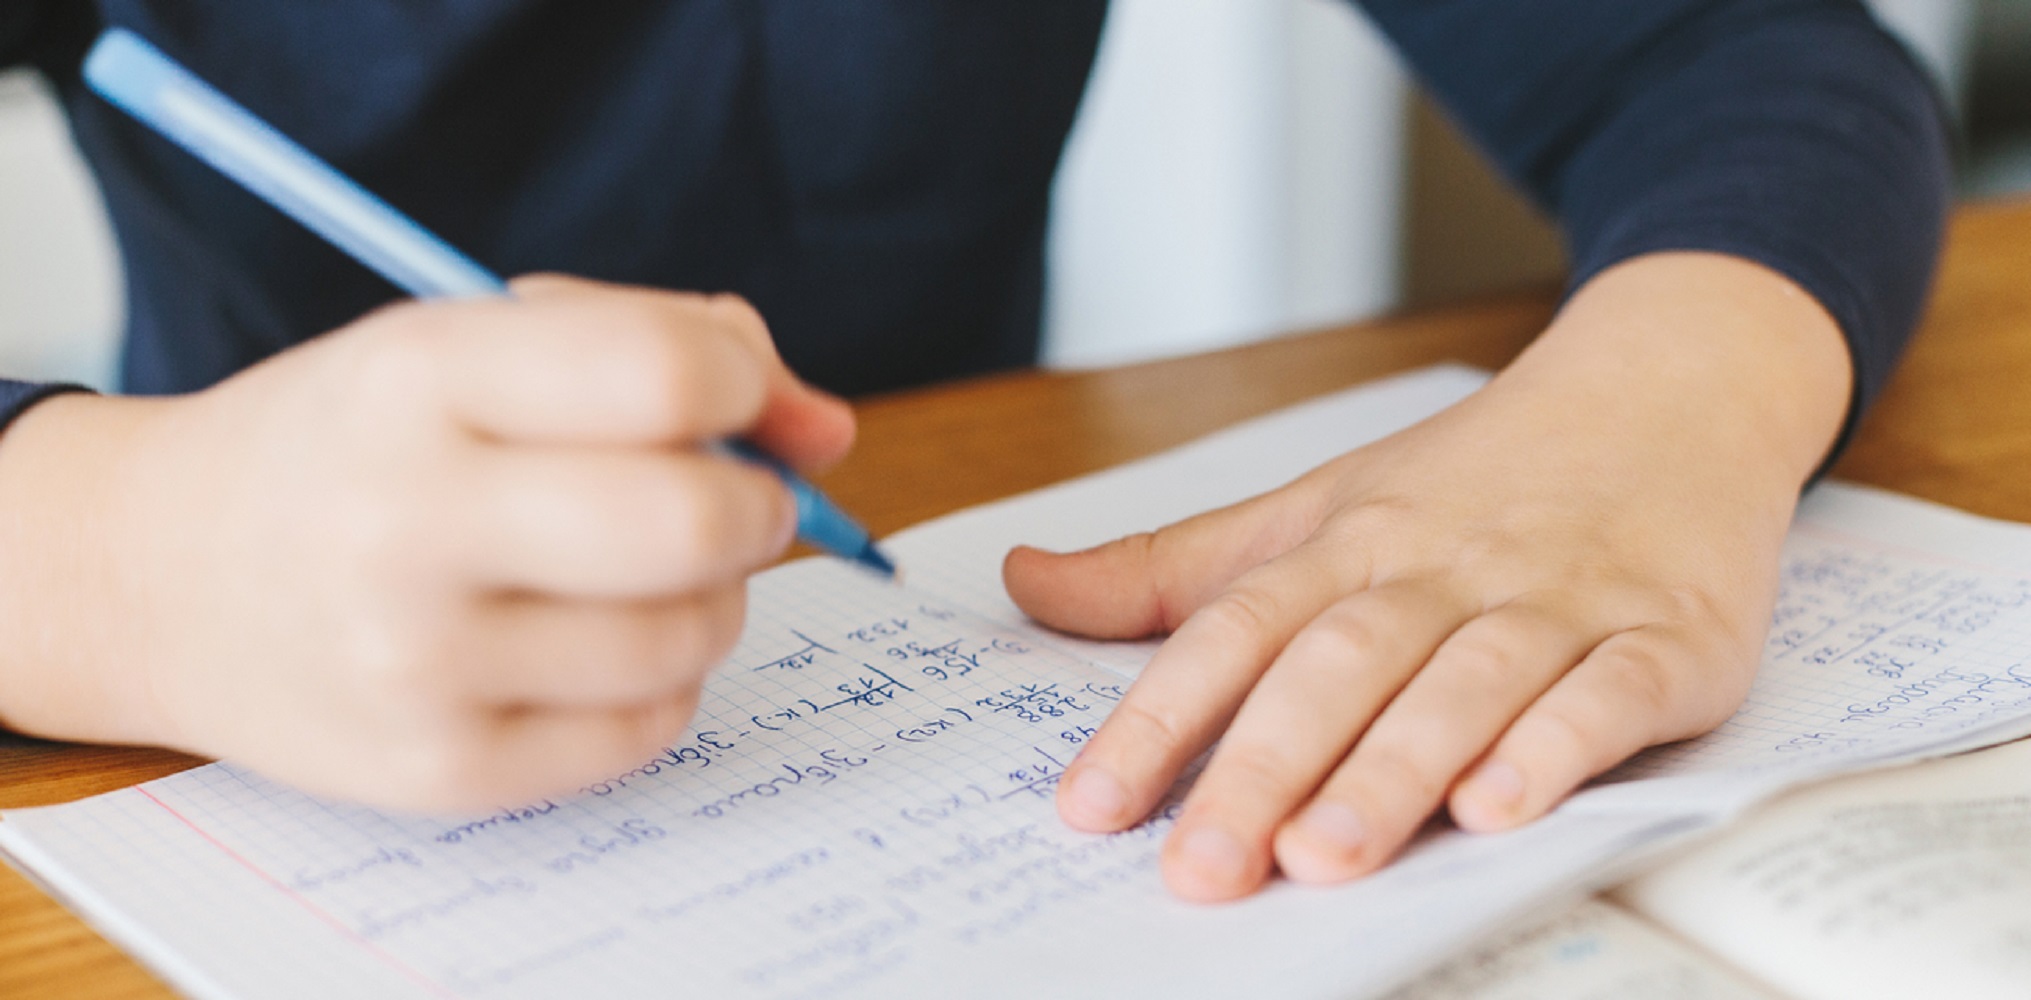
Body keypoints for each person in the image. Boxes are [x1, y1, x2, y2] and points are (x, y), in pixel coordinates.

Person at [0, 0, 1947, 904]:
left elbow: (1734, 53)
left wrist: (1661, 406)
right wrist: (105, 554)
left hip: (938, 549)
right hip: (191, 714)